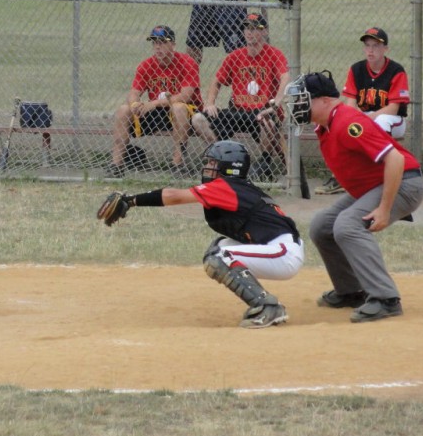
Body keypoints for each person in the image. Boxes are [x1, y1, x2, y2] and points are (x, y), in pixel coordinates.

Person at [99, 140, 303, 329]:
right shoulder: (239, 188)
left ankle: (268, 307)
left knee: (219, 258)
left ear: (230, 167)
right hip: (276, 246)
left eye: (214, 163)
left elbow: (174, 196)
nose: (208, 167)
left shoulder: (228, 187)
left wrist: (132, 200)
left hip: (282, 252)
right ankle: (264, 304)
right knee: (220, 248)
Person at [284, 71, 423, 323]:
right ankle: (351, 291)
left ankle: (385, 298)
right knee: (321, 227)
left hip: (405, 183)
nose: (298, 106)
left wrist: (384, 208)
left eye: (305, 99)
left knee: (347, 225)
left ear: (326, 100)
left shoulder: (348, 122)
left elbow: (395, 159)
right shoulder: (325, 124)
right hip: (376, 186)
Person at [191, 13, 290, 181]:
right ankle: (222, 157)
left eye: (255, 29)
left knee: (268, 120)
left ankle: (265, 164)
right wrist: (210, 103)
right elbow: (216, 81)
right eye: (247, 28)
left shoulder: (274, 54)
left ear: (264, 32)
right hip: (237, 112)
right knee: (198, 119)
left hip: (261, 112)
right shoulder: (235, 56)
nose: (250, 33)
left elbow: (286, 77)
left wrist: (276, 102)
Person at [316, 27, 410, 194]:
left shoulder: (396, 71)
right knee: (343, 126)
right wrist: (351, 122)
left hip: (393, 120)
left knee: (380, 122)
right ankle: (341, 177)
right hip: (367, 118)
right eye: (367, 45)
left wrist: (366, 120)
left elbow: (393, 108)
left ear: (385, 49)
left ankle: (382, 176)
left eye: (376, 46)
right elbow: (350, 105)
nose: (371, 50)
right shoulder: (356, 69)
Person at [105, 25, 204, 179]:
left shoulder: (187, 62)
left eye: (162, 42)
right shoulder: (146, 65)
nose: (158, 47)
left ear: (173, 45)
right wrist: (134, 104)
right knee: (123, 110)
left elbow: (185, 96)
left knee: (178, 108)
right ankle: (116, 165)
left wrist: (155, 103)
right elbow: (134, 92)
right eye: (154, 43)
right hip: (158, 113)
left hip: (188, 113)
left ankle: (177, 164)